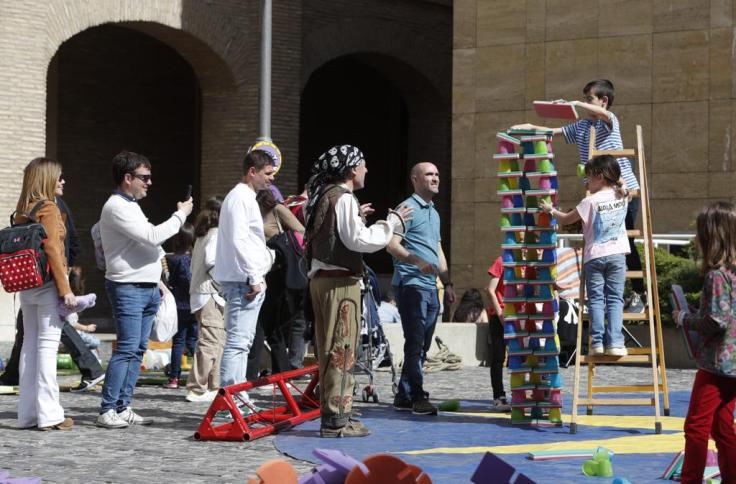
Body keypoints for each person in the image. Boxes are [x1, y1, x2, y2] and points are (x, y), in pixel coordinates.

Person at [305, 144, 410, 437]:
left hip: (321, 281)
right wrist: (389, 224)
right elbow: (358, 241)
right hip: (340, 284)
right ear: (352, 169)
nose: (366, 170)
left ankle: (334, 415)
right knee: (343, 348)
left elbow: (335, 235)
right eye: (363, 165)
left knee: (328, 349)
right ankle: (338, 421)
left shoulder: (324, 195)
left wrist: (357, 217)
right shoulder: (344, 198)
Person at [513, 79, 645, 312]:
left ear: (603, 101)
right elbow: (554, 131)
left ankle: (638, 292)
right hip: (598, 193)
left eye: (589, 99)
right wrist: (529, 127)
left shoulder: (609, 121)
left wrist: (575, 103)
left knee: (625, 241)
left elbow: (603, 115)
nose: (585, 103)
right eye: (584, 99)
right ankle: (610, 295)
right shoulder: (583, 126)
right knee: (601, 243)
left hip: (621, 191)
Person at [96, 150, 193, 428]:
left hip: (146, 287)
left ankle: (123, 405)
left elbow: (142, 247)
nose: (149, 183)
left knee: (137, 349)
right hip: (128, 287)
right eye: (145, 178)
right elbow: (151, 237)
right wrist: (180, 215)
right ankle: (107, 409)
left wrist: (159, 283)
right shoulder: (116, 206)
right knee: (126, 349)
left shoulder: (131, 205)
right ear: (128, 178)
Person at [539, 155, 629, 356]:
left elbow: (566, 219)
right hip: (617, 255)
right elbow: (624, 184)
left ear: (600, 176)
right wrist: (619, 183)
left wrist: (550, 210)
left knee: (596, 299)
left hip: (594, 256)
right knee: (615, 299)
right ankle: (615, 342)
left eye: (588, 176)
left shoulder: (589, 201)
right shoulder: (622, 195)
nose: (586, 181)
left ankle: (597, 343)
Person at [673, 202, 736, 484]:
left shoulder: (717, 275)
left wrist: (685, 317)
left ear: (711, 237)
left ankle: (690, 480)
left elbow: (717, 320)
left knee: (696, 427)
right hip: (733, 364)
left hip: (716, 364)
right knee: (722, 427)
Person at [387, 162, 454, 416]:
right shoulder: (406, 209)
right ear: (415, 179)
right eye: (429, 174)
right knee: (415, 343)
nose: (435, 178)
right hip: (411, 285)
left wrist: (447, 282)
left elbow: (438, 251)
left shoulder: (434, 213)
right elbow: (391, 245)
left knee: (422, 346)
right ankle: (417, 396)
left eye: (437, 174)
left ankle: (403, 395)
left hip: (432, 287)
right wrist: (416, 261)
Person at [14, 158, 76, 431]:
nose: (63, 182)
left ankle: (27, 415)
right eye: (59, 177)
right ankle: (50, 415)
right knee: (47, 348)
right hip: (49, 284)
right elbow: (53, 250)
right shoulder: (49, 208)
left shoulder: (21, 210)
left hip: (26, 286)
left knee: (29, 347)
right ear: (47, 179)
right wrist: (67, 290)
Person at [213, 149, 275, 414]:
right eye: (267, 174)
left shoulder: (245, 198)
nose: (271, 179)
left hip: (246, 278)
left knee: (243, 343)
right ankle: (232, 399)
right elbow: (239, 239)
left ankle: (237, 397)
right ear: (252, 171)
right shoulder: (240, 198)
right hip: (242, 280)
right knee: (238, 343)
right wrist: (253, 276)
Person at [246, 188, 305, 379]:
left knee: (262, 323)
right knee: (268, 324)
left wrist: (279, 244)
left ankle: (251, 374)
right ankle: (282, 370)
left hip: (276, 272)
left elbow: (301, 232)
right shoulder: (253, 213)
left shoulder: (278, 210)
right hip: (259, 271)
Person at [185, 196, 225, 403]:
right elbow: (212, 261)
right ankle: (197, 387)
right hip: (210, 292)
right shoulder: (216, 234)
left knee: (216, 340)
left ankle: (213, 385)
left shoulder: (203, 235)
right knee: (210, 341)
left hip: (204, 292)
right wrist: (225, 282)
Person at [163, 223, 198, 389]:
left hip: (179, 305)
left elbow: (171, 281)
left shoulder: (174, 259)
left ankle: (174, 379)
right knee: (193, 341)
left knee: (178, 342)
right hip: (196, 304)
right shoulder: (196, 257)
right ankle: (202, 374)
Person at [485, 256, 510, 412]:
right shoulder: (501, 261)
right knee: (498, 356)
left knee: (521, 357)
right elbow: (490, 290)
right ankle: (498, 396)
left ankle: (522, 393)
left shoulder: (527, 262)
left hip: (518, 316)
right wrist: (500, 313)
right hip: (499, 315)